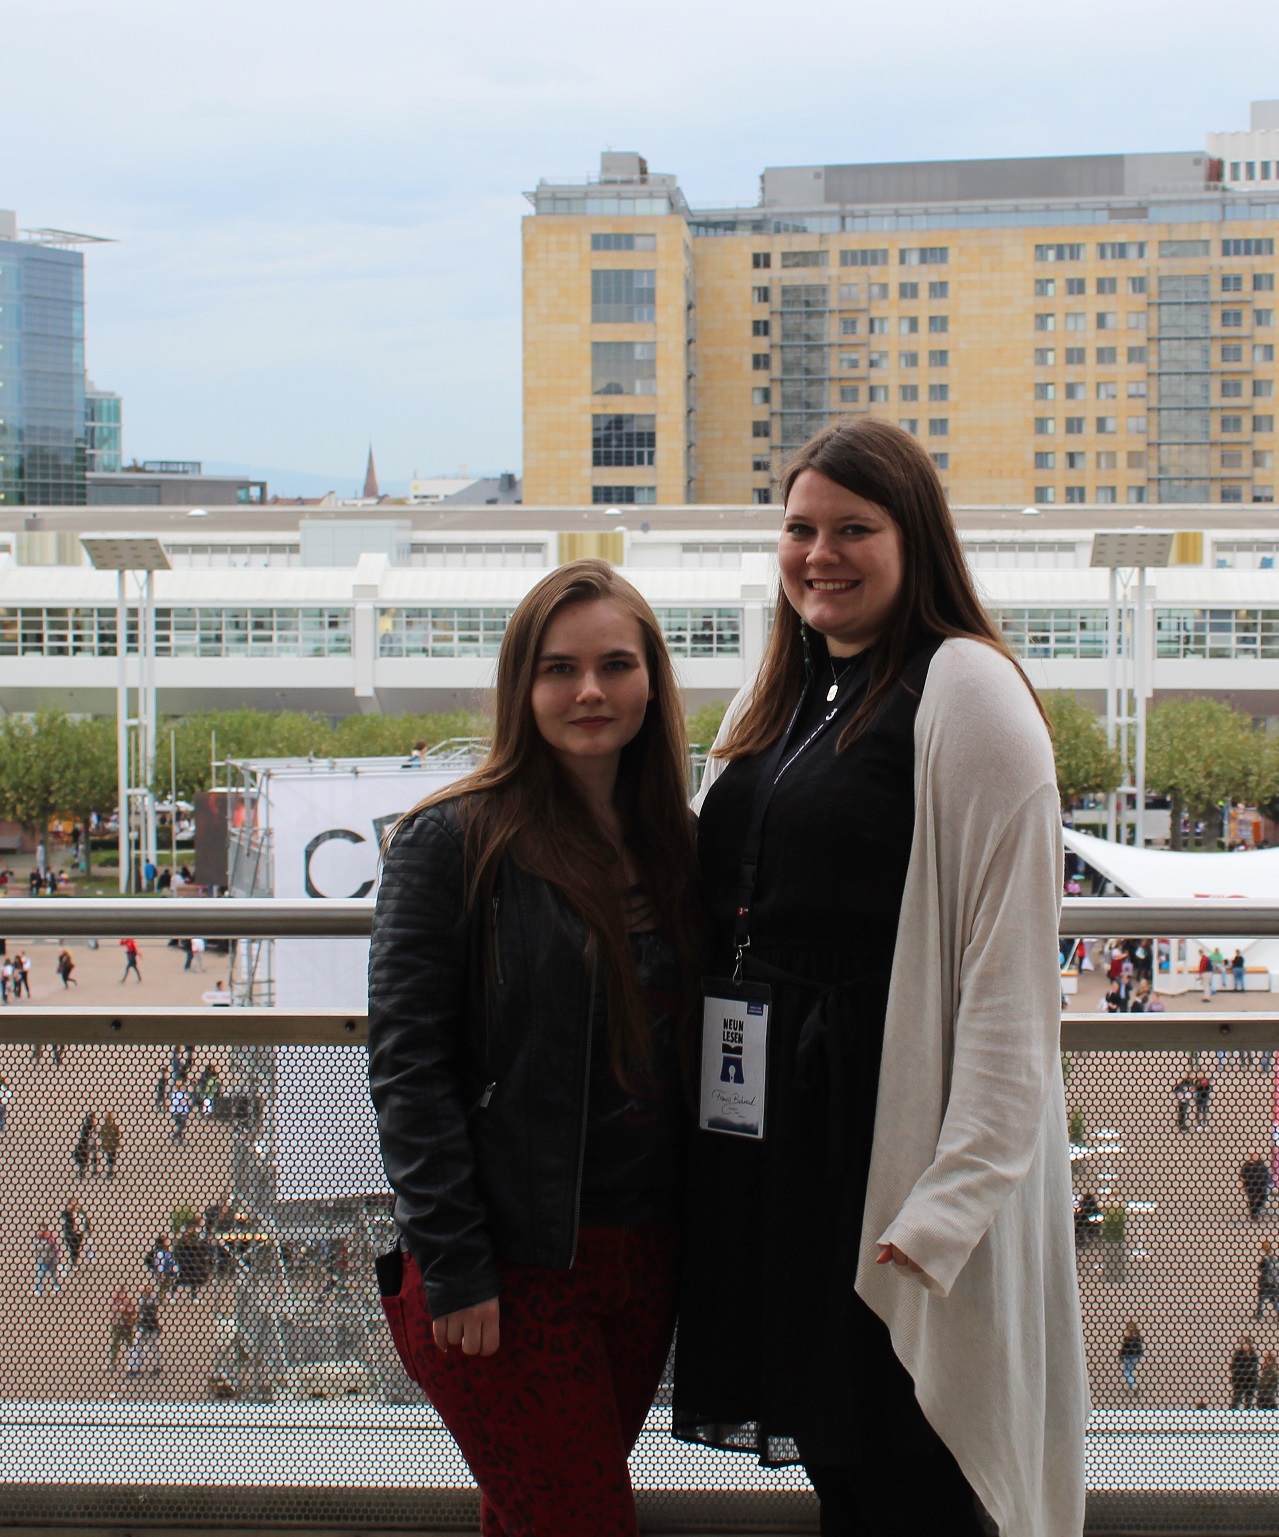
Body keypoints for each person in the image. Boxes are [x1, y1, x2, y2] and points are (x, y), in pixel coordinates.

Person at [673, 420, 1088, 1537]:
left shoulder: (965, 689)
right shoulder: (775, 701)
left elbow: (1012, 985)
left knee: (920, 1469)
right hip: (785, 1153)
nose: (821, 553)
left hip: (886, 1157)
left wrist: (945, 1208)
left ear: (916, 540)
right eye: (800, 529)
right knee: (847, 1472)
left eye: (854, 528)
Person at [367, 559, 702, 1537]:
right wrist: (457, 1261)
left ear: (651, 681)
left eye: (613, 664)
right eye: (558, 668)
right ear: (523, 687)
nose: (589, 690)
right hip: (511, 1265)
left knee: (537, 1513)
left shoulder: (679, 845)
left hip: (646, 1258)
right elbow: (407, 1066)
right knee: (581, 1520)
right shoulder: (449, 841)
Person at [108, 1285, 137, 1371]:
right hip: (117, 1326)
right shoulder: (114, 1300)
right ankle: (112, 1363)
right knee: (115, 1344)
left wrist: (128, 1318)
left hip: (125, 1326)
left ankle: (134, 1363)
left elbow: (133, 1312)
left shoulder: (126, 1301)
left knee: (130, 1344)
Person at [1230, 1335, 1260, 1409]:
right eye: (1244, 1344)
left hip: (1250, 1382)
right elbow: (1234, 1367)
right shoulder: (1237, 1354)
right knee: (1236, 1401)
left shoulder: (1253, 1355)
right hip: (1239, 1381)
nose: (1246, 1346)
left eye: (1247, 1344)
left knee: (1248, 1402)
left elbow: (1255, 1368)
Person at [1241, 1152, 1271, 1222]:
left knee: (1262, 1199)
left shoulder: (1261, 1165)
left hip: (1261, 1186)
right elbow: (1243, 1177)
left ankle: (1255, 1212)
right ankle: (1254, 1215)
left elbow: (1266, 1175)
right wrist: (1243, 1185)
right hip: (1250, 1186)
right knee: (1252, 1200)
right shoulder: (1247, 1166)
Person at [1118, 1321, 1144, 1397]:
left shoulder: (1135, 1339)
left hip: (1131, 1358)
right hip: (1129, 1358)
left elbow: (1138, 1349)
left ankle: (1133, 1387)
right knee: (1128, 1373)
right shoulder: (1128, 1338)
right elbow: (1124, 1348)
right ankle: (1131, 1387)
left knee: (1128, 1373)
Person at [1255, 1241, 1279, 1321]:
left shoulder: (1265, 1260)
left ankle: (1259, 1314)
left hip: (1266, 1283)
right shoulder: (1274, 1259)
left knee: (1262, 1299)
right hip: (1274, 1283)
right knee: (1274, 1300)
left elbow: (1260, 1269)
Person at [99, 1111, 121, 1178]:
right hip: (112, 1146)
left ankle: (110, 1170)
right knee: (112, 1158)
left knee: (110, 1158)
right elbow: (117, 1134)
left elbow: (101, 1135)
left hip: (108, 1146)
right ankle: (110, 1170)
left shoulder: (104, 1127)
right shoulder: (113, 1126)